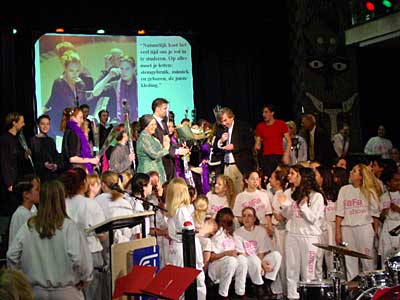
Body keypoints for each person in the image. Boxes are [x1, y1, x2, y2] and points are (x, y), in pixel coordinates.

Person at [7, 180, 93, 300]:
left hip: (36, 292)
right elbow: (80, 259)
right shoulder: (68, 227)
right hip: (66, 291)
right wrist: (85, 279)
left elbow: (12, 255)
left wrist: (22, 280)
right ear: (62, 199)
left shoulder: (29, 226)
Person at [59, 167, 108, 300]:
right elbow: (102, 234)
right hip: (91, 254)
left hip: (66, 256)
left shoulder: (60, 204)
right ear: (83, 183)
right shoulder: (91, 205)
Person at [278, 165, 326, 300]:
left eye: (296, 175)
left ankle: (308, 296)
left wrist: (304, 206)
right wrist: (284, 205)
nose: (293, 177)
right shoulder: (292, 194)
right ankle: (292, 296)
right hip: (292, 234)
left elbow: (312, 219)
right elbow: (288, 215)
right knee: (291, 269)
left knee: (308, 271)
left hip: (309, 237)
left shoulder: (317, 196)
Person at [335, 164, 382, 280]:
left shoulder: (370, 191)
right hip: (347, 228)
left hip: (364, 227)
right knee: (350, 261)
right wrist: (338, 232)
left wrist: (375, 232)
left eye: (355, 171)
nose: (351, 172)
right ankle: (353, 291)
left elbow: (375, 215)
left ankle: (370, 288)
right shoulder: (344, 190)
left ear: (361, 176)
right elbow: (339, 213)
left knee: (367, 261)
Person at [165, 177, 206, 300]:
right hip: (186, 251)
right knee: (193, 283)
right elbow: (188, 234)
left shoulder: (175, 211)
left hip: (177, 250)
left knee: (179, 284)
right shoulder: (182, 211)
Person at [234, 206, 283, 299]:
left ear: (254, 218)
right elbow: (242, 254)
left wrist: (262, 264)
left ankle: (268, 283)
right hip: (247, 263)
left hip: (259, 260)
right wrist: (261, 264)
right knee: (253, 258)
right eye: (244, 216)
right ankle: (258, 286)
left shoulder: (261, 230)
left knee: (276, 255)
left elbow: (262, 251)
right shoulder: (237, 233)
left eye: (249, 216)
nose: (246, 218)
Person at [45, 50, 89, 138]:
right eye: (71, 71)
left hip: (77, 126)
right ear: (65, 69)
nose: (75, 74)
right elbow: (57, 106)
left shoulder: (81, 84)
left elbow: (83, 105)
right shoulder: (59, 83)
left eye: (77, 71)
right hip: (61, 126)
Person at [208, 207, 248, 299]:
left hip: (230, 266)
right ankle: (223, 295)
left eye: (230, 221)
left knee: (242, 260)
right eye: (225, 221)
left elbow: (239, 252)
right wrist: (226, 253)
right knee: (231, 261)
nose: (228, 224)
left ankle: (240, 293)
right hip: (216, 266)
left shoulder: (231, 235)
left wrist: (238, 254)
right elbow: (211, 257)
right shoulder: (216, 234)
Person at [213, 107, 254, 192]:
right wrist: (220, 141)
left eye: (225, 120)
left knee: (241, 192)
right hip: (227, 166)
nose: (223, 123)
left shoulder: (242, 126)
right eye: (222, 121)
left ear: (232, 117)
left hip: (240, 165)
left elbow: (250, 142)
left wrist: (234, 146)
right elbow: (215, 148)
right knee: (229, 193)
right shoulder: (220, 129)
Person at [0, 112, 33, 216]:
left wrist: (25, 155)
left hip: (19, 179)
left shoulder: (19, 139)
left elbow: (17, 158)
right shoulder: (5, 139)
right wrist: (9, 182)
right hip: (11, 181)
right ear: (14, 123)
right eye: (21, 122)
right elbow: (5, 161)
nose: (23, 124)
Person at [151, 98, 189, 181]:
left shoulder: (163, 123)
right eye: (165, 108)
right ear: (157, 109)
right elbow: (159, 144)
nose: (166, 111)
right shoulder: (151, 123)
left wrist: (179, 149)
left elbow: (168, 142)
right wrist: (177, 151)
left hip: (168, 164)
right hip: (159, 164)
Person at [93, 55, 138, 123]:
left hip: (137, 124)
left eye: (127, 69)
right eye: (121, 69)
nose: (124, 72)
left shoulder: (140, 85)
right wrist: (109, 76)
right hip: (118, 125)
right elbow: (95, 92)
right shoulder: (115, 85)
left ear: (134, 69)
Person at [255, 104, 291, 179]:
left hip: (279, 156)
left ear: (272, 113)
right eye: (263, 113)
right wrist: (257, 146)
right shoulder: (260, 126)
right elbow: (257, 143)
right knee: (268, 178)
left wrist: (286, 154)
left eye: (266, 112)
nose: (264, 114)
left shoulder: (281, 124)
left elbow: (289, 141)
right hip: (266, 157)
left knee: (280, 178)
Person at [60, 107, 99, 174]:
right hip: (75, 172)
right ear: (72, 118)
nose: (82, 121)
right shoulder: (73, 133)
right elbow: (72, 158)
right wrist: (91, 160)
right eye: (80, 118)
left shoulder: (71, 131)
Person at [136, 114, 170, 184]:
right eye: (152, 125)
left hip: (157, 171)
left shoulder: (152, 137)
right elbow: (154, 155)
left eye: (155, 124)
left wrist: (164, 143)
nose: (155, 127)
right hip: (148, 173)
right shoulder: (143, 138)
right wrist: (166, 148)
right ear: (145, 126)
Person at [8, 175, 40, 248]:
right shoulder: (21, 214)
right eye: (37, 189)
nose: (40, 192)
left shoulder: (33, 208)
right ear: (26, 194)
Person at [30, 114, 60, 182]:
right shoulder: (33, 140)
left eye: (47, 124)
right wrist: (44, 165)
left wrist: (55, 165)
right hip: (40, 175)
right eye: (42, 124)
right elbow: (34, 158)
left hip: (52, 174)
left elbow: (55, 155)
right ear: (38, 125)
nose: (45, 126)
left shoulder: (51, 140)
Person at [379, 172, 400, 266]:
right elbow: (380, 218)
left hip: (399, 225)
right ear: (388, 182)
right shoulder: (383, 197)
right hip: (388, 227)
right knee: (386, 256)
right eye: (395, 180)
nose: (398, 182)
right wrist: (383, 214)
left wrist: (398, 209)